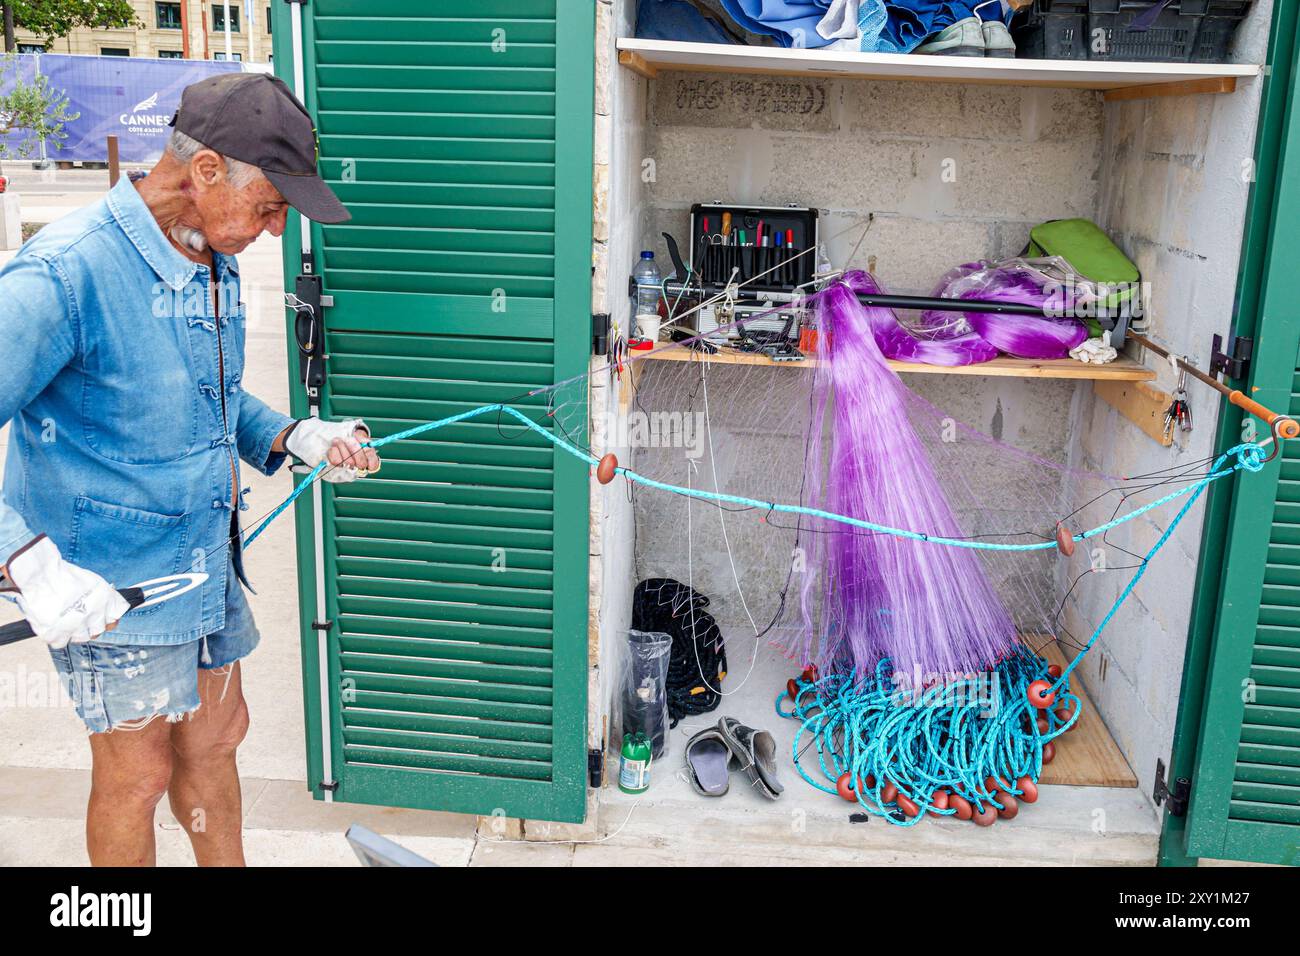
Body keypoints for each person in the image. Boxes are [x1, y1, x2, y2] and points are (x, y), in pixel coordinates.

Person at [0, 73, 380, 866]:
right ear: (205, 171)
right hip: (108, 589)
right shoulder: (64, 276)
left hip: (205, 568)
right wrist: (28, 561)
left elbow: (198, 396)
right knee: (137, 774)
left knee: (216, 743)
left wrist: (290, 435)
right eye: (272, 203)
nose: (277, 229)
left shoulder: (211, 250)